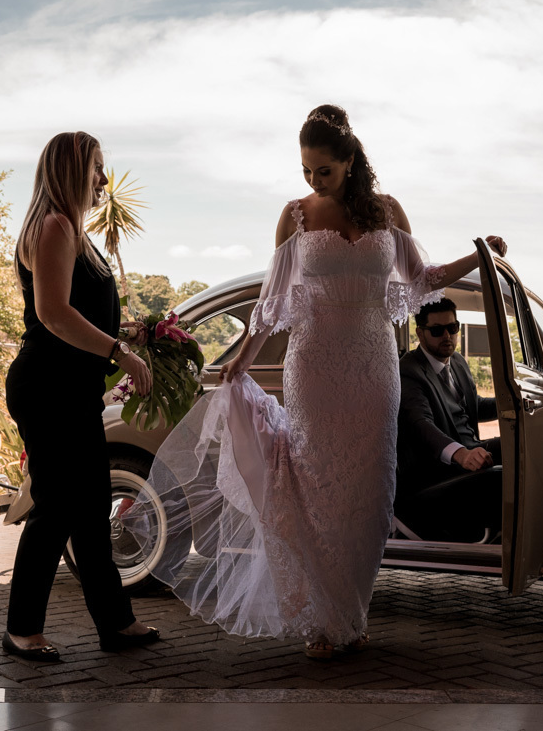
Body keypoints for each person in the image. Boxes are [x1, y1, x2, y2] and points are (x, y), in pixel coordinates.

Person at [136, 105, 506, 659]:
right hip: (313, 369)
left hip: (374, 370)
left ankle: (349, 611)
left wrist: (476, 256)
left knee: (367, 494)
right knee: (315, 489)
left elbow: (421, 280)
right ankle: (321, 619)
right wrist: (244, 357)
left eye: (323, 171)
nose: (313, 181)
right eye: (306, 170)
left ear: (351, 162)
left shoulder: (388, 211)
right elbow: (273, 298)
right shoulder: (295, 215)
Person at [2, 131, 160, 663]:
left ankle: (116, 623)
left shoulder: (70, 229)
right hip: (47, 389)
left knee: (91, 508)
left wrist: (134, 333)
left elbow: (79, 312)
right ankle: (22, 628)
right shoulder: (54, 225)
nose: (102, 178)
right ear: (72, 169)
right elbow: (52, 313)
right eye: (95, 167)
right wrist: (120, 352)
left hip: (69, 389)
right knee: (56, 507)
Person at [396, 297, 505, 542]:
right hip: (437, 472)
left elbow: (473, 405)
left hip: (471, 449)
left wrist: (514, 403)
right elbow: (421, 424)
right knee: (500, 476)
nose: (447, 335)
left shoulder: (456, 361)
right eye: (437, 330)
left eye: (452, 328)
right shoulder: (409, 371)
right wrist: (461, 454)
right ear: (420, 334)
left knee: (522, 446)